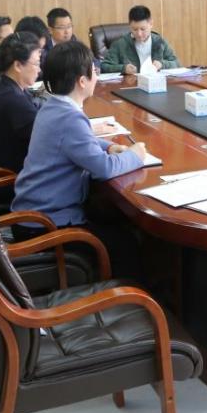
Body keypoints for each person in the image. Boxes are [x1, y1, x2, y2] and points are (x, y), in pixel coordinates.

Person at [11, 41, 149, 278]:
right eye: (94, 71)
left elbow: (76, 143)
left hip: (33, 215)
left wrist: (109, 146)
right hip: (46, 225)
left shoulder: (52, 106)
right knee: (125, 243)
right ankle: (123, 297)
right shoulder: (70, 118)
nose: (97, 75)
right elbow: (104, 168)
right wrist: (134, 155)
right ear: (82, 81)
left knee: (113, 218)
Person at [0, 33, 45, 181]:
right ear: (18, 65)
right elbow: (49, 138)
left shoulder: (10, 87)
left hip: (21, 171)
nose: (39, 70)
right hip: (16, 181)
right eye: (36, 63)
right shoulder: (13, 99)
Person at [100, 5, 180, 75]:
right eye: (135, 29)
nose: (139, 34)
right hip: (130, 85)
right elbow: (104, 66)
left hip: (154, 83)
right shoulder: (120, 44)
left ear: (151, 24)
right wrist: (123, 68)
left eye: (143, 29)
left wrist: (162, 64)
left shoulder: (160, 42)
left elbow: (177, 64)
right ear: (130, 26)